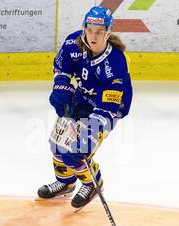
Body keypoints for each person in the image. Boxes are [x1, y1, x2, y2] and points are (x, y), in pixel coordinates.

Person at [37, 6, 133, 209]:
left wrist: (91, 128)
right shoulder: (74, 42)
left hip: (108, 109)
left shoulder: (115, 62)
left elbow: (108, 105)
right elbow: (62, 68)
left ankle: (91, 184)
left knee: (77, 152)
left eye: (99, 31)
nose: (93, 36)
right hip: (80, 99)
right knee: (56, 144)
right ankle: (65, 183)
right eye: (89, 30)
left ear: (108, 32)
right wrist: (61, 89)